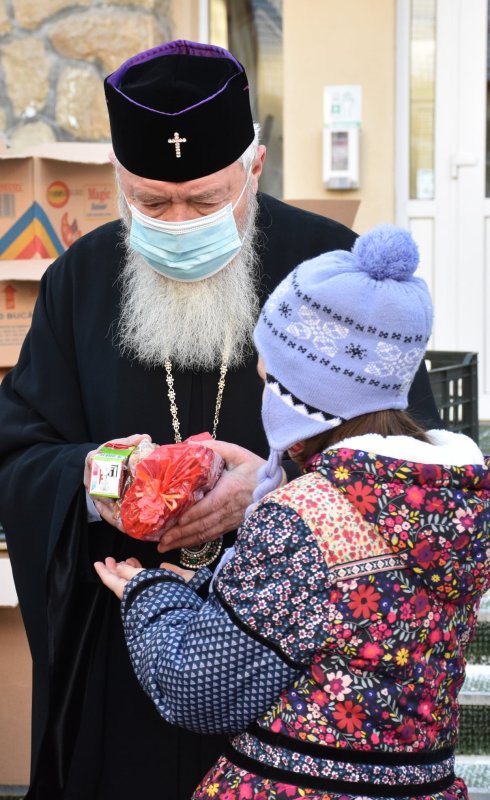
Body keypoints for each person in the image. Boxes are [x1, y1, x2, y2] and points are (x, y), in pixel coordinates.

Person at [0, 39, 441, 800]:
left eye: (204, 201)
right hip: (124, 658)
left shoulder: (329, 269)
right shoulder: (79, 280)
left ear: (254, 169)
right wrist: (105, 477)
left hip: (292, 691)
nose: (178, 223)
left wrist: (269, 489)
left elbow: (405, 469)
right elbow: (21, 451)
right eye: (151, 202)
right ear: (118, 181)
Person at [96, 224, 490, 800]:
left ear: (303, 396)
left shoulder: (303, 519)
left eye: (270, 379)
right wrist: (215, 583)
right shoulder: (455, 500)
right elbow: (347, 614)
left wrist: (151, 595)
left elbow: (199, 688)